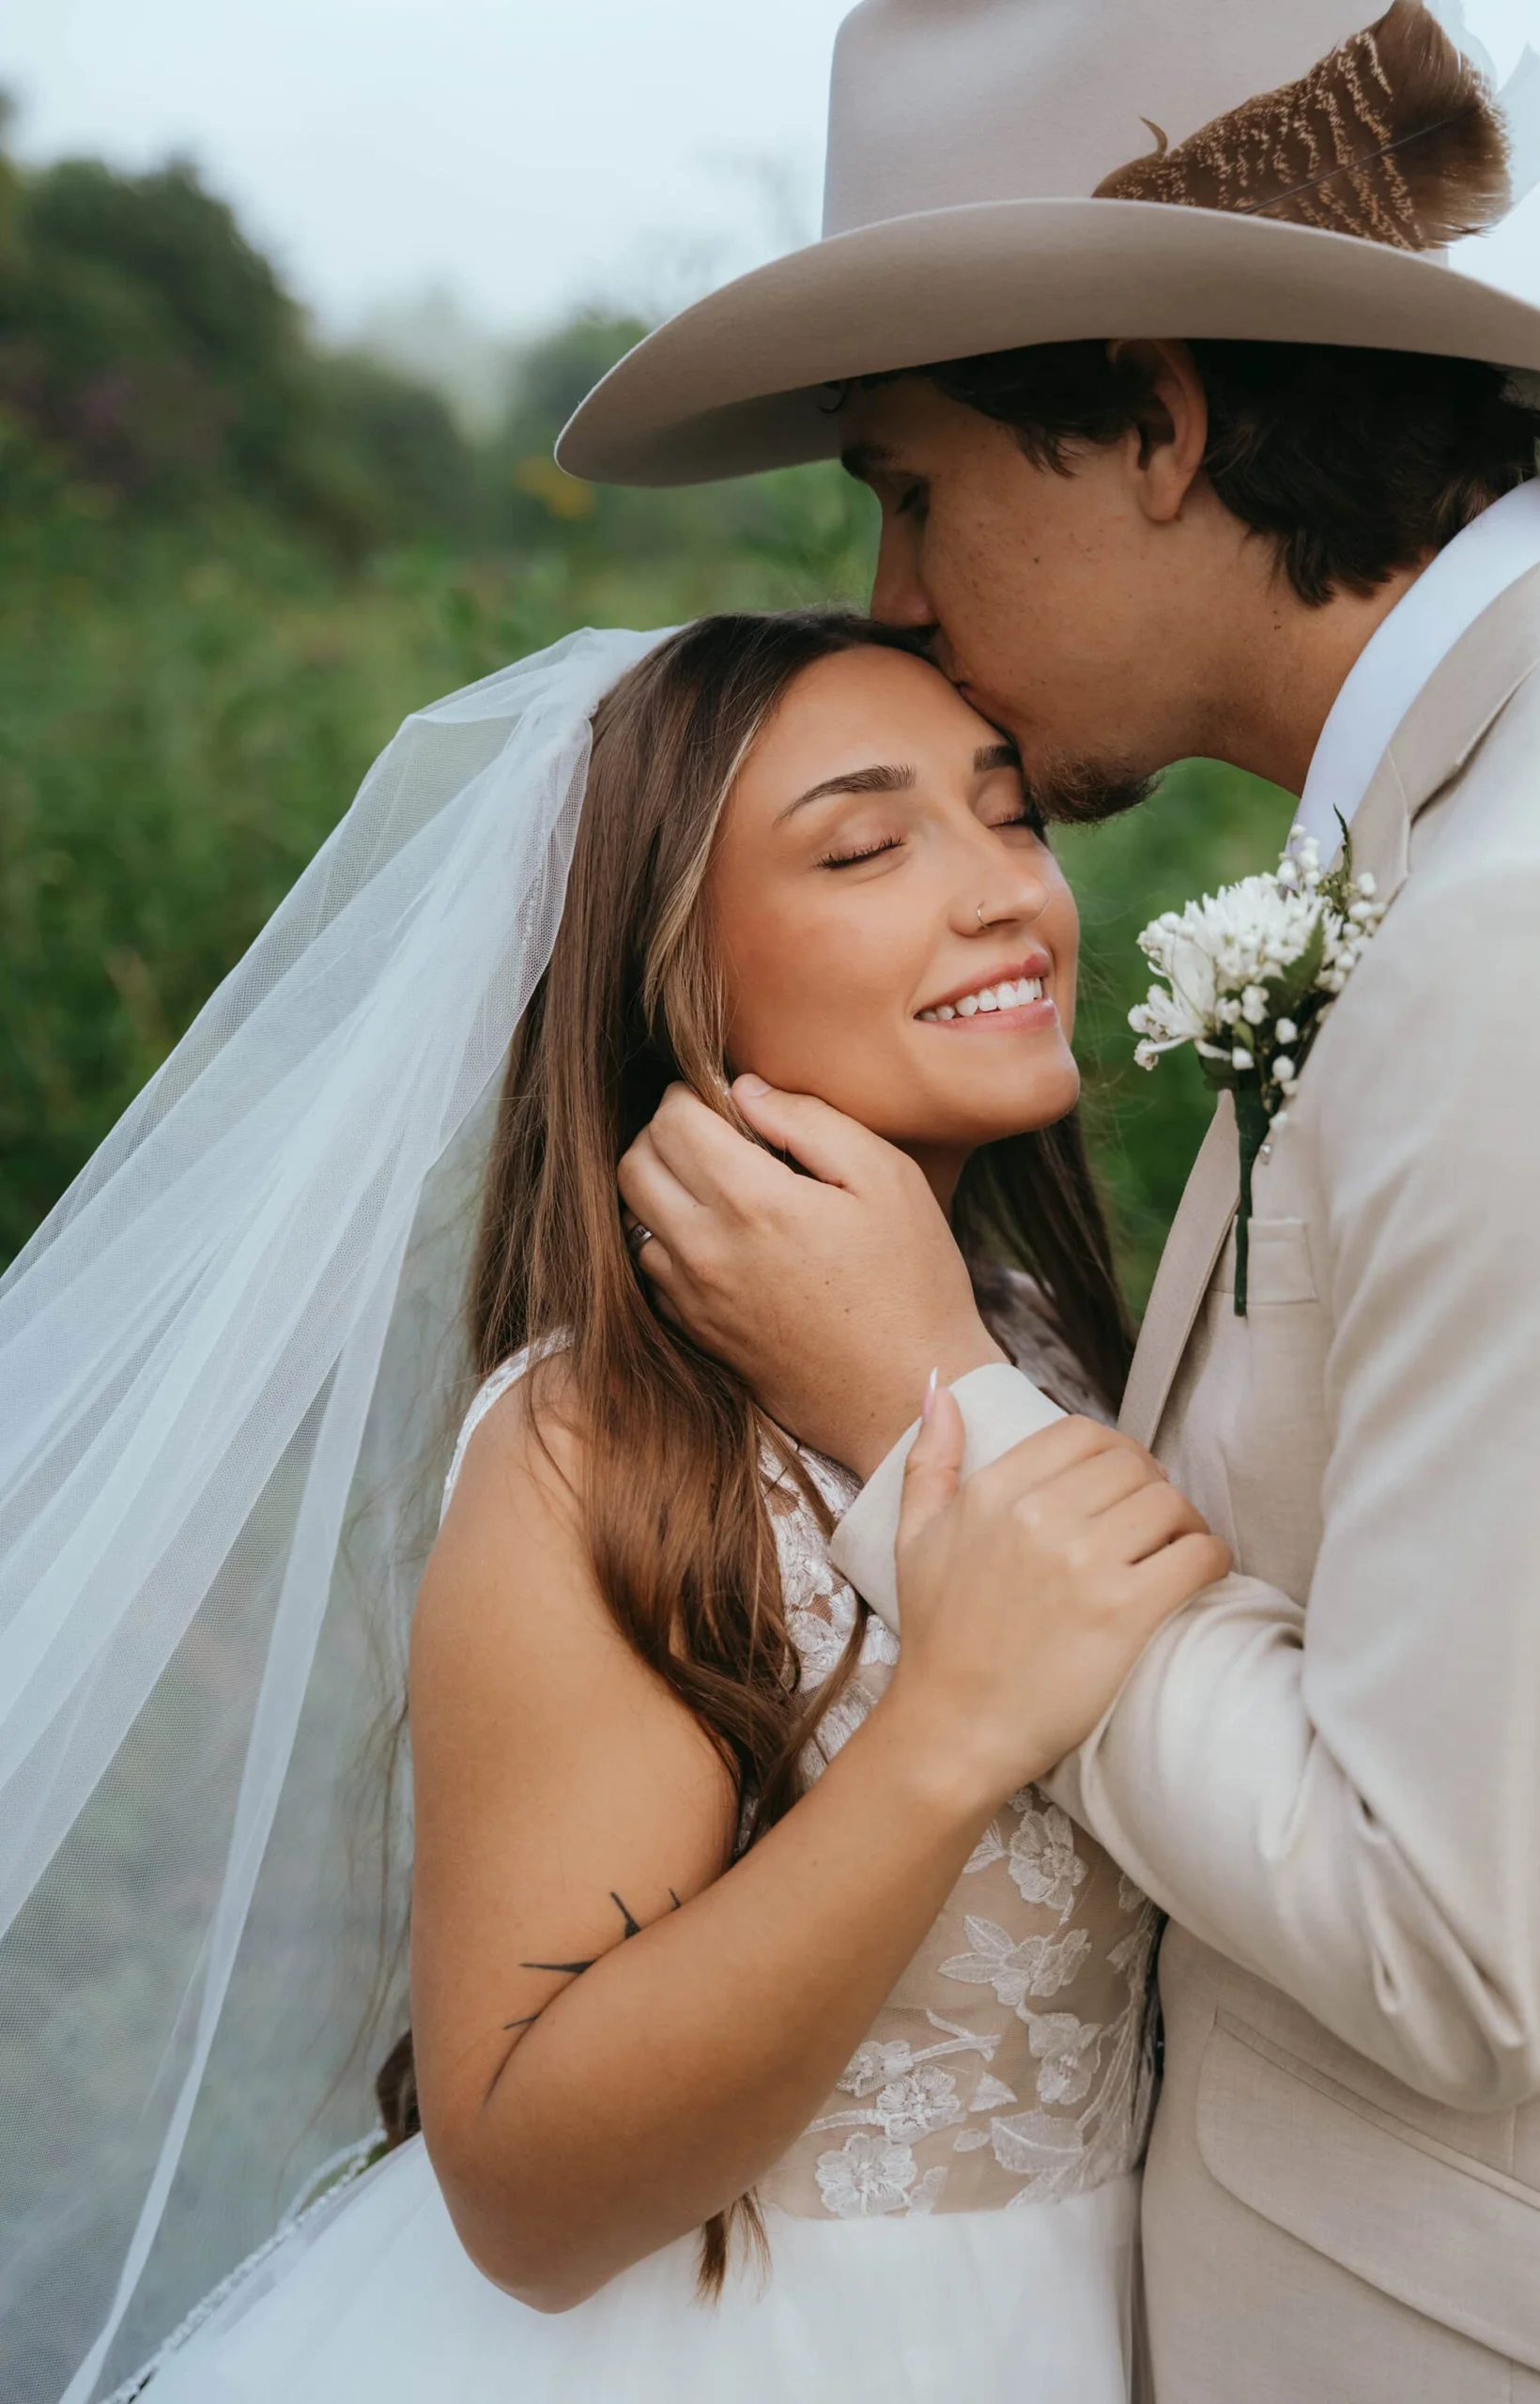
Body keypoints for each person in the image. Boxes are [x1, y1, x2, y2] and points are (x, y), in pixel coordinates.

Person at [563, 5, 1540, 2400]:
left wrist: (933, 1408)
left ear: (1156, 418)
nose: (896, 590)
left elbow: (1452, 1942)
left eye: (909, 487)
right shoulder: (1478, 819)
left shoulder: (1530, 920)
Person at [40, 610, 1225, 2404]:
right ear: (674, 969)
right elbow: (526, 2191)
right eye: (865, 844)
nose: (1003, 894)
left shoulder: (1053, 1353)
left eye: (1009, 820)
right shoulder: (609, 1448)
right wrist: (950, 1729)